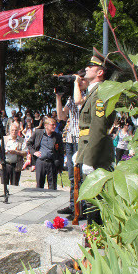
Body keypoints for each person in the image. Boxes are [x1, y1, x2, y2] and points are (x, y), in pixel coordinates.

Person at [76, 48, 120, 175]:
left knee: (95, 195)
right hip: (91, 151)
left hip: (97, 157)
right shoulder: (94, 92)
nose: (87, 68)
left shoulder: (100, 92)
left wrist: (89, 160)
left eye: (91, 66)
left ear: (100, 72)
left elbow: (98, 127)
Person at [55, 70, 88, 217]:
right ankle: (72, 204)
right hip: (70, 139)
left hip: (81, 139)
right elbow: (62, 116)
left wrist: (75, 82)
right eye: (77, 80)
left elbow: (78, 102)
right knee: (71, 175)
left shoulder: (86, 95)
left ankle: (80, 208)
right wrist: (58, 98)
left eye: (80, 80)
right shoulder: (71, 97)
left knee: (79, 175)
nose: (78, 82)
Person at [27, 117, 64, 190]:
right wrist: (34, 152)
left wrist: (60, 166)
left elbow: (61, 151)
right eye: (52, 125)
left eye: (55, 125)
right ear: (46, 125)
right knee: (39, 185)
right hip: (41, 162)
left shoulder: (57, 136)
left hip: (52, 163)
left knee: (52, 186)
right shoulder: (38, 133)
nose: (54, 126)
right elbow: (28, 143)